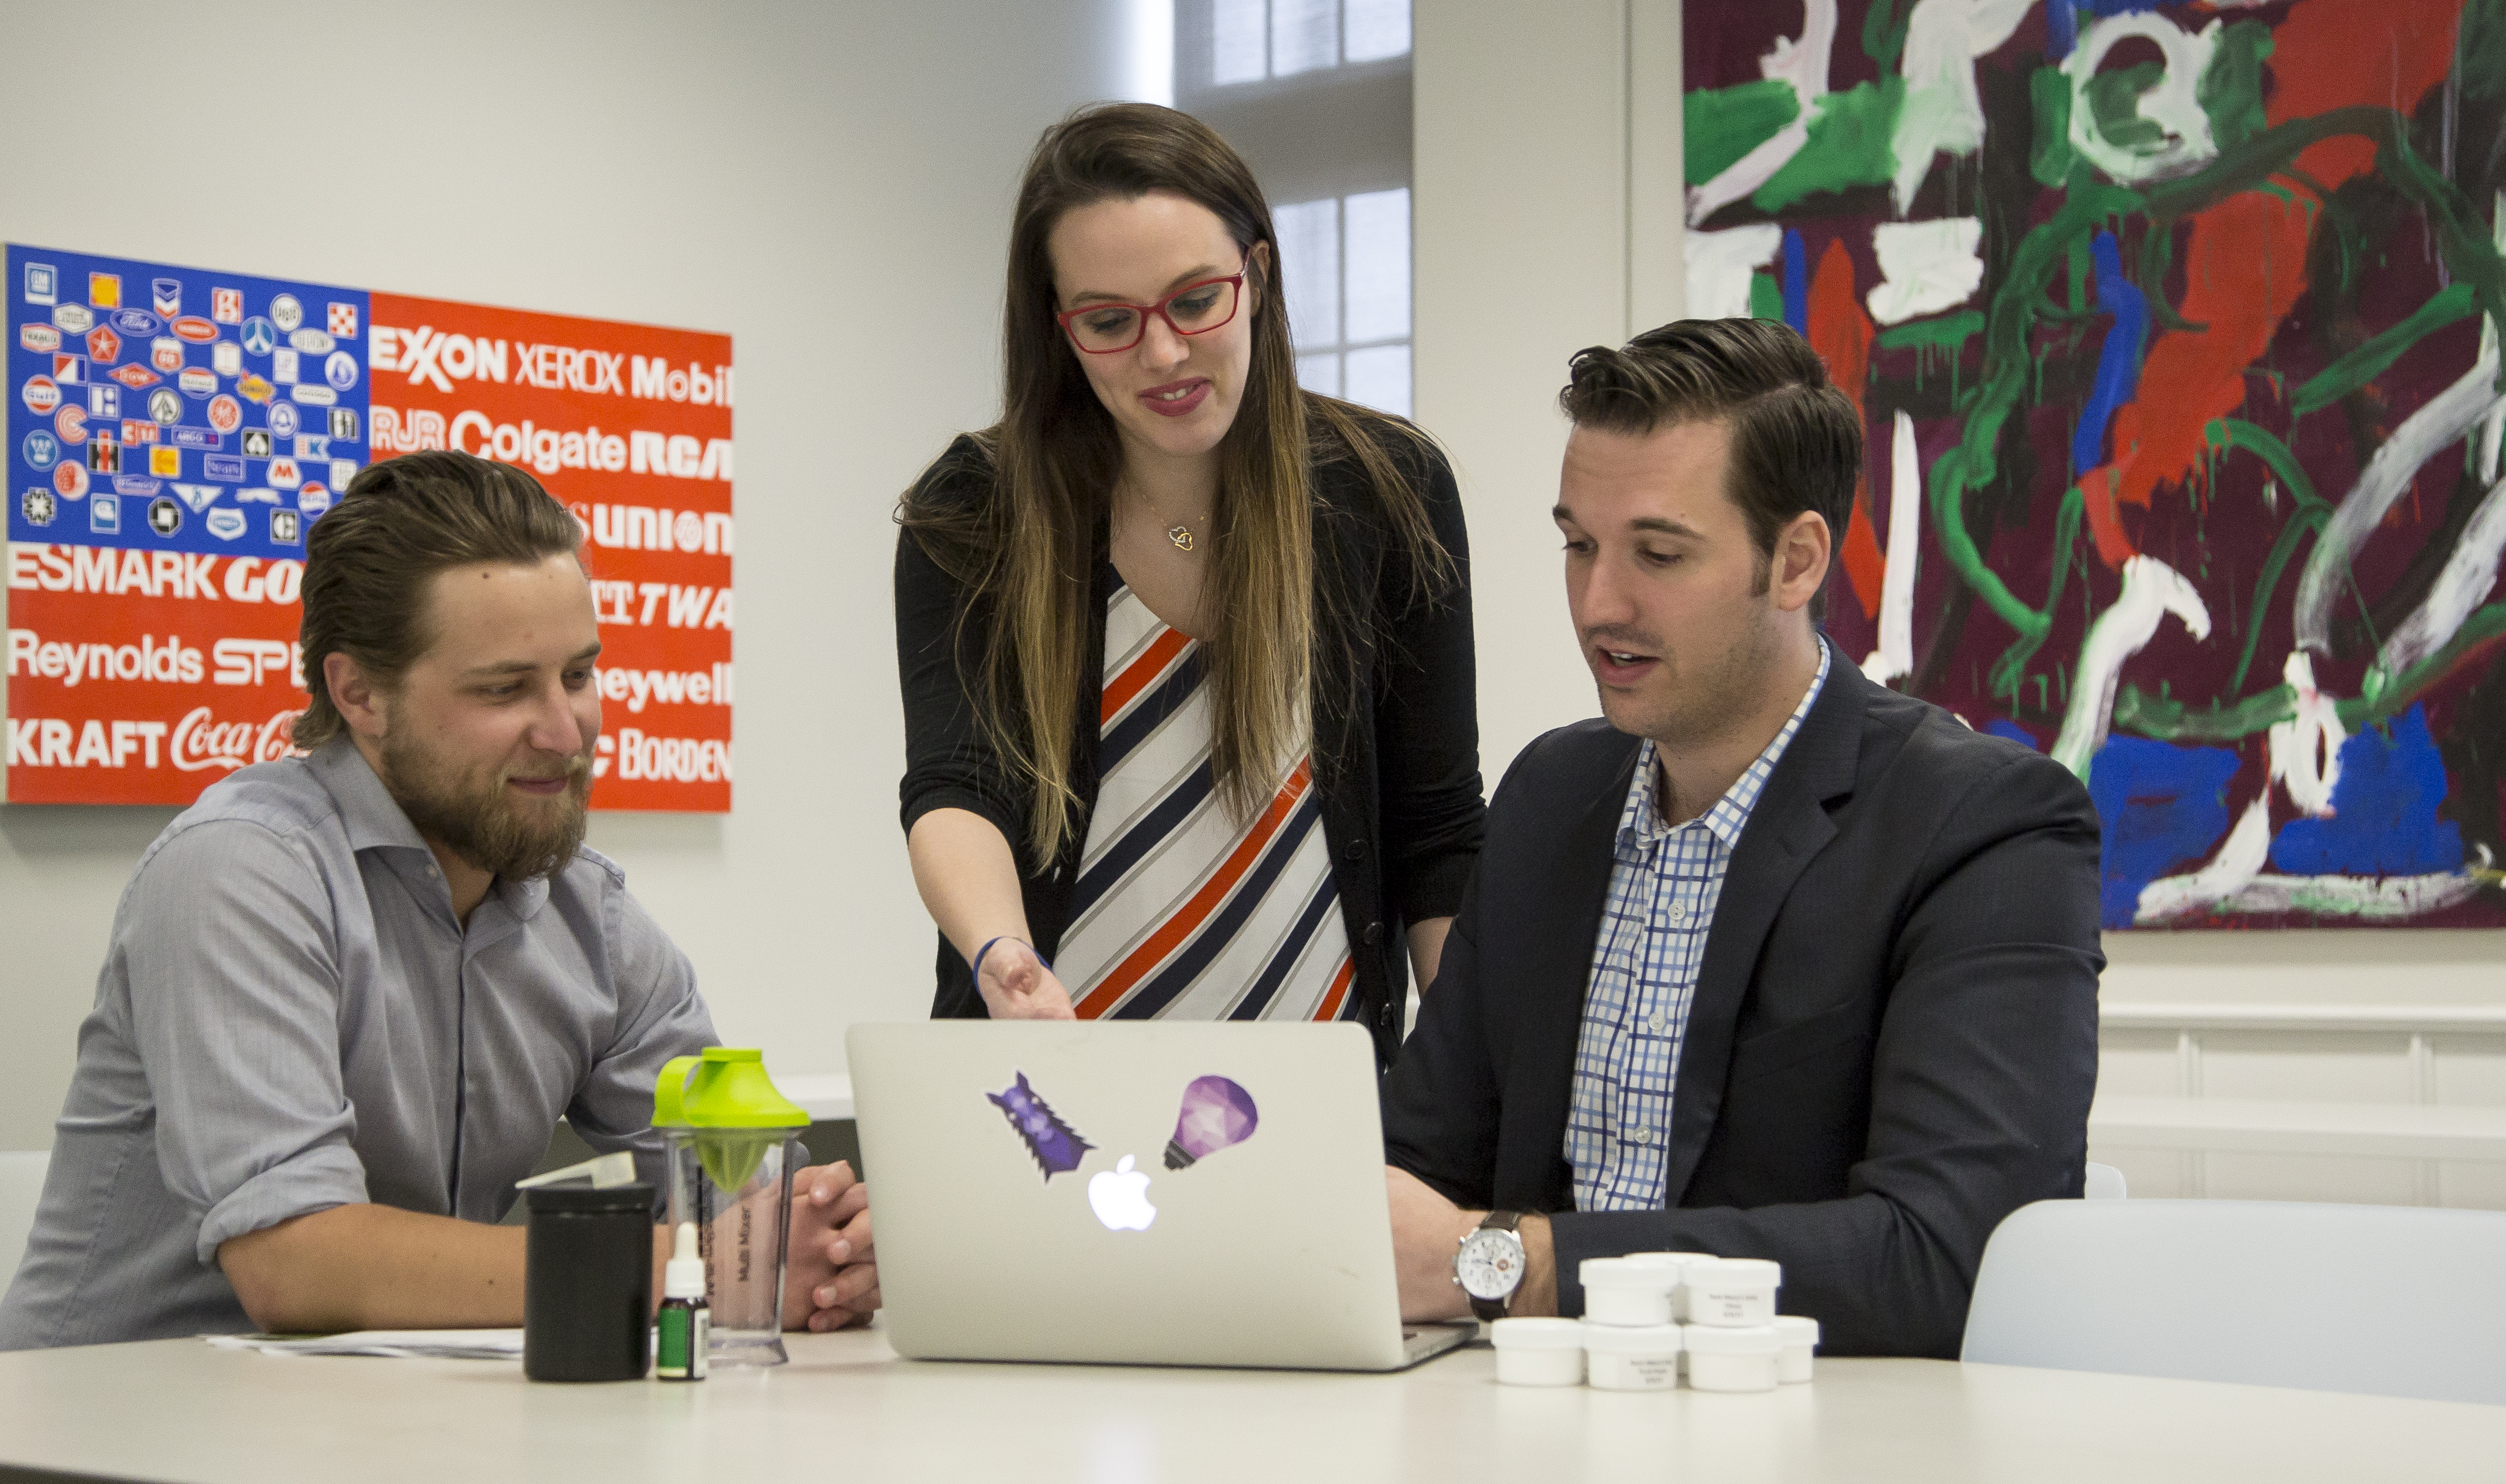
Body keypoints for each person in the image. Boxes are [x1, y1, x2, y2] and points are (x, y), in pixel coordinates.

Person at [0, 452, 876, 1347]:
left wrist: (830, 1243)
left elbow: (741, 1196)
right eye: (504, 688)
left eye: (578, 675)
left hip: (378, 1424)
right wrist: (698, 1269)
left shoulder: (587, 914)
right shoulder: (239, 872)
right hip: (106, 1445)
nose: (567, 732)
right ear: (360, 693)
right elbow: (297, 1262)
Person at [1378, 318, 2102, 1356]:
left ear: (1797, 559)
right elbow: (1421, 1159)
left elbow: (1949, 1256)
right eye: (1578, 543)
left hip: (1824, 1451)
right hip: (1523, 1437)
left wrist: (1511, 1263)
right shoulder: (1551, 795)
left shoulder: (1984, 826)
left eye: (1658, 553)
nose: (1597, 603)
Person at [897, 104, 1483, 1068]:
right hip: (1047, 1100)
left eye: (1194, 300)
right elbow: (956, 787)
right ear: (1058, 326)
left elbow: (1438, 829)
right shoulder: (978, 509)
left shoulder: (1386, 489)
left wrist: (1472, 1078)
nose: (1162, 353)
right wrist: (1004, 955)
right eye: (1108, 321)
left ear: (1256, 276)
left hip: (1317, 1103)